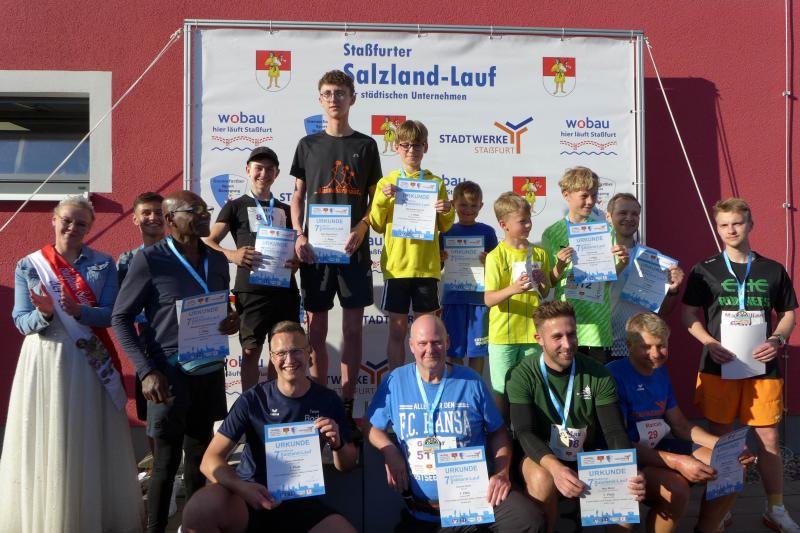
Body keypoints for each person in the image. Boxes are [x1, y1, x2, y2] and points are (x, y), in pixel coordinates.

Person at [1, 195, 143, 532]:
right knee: (47, 433)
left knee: (86, 434)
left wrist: (79, 312)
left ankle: (87, 514)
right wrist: (45, 314)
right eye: (66, 220)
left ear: (89, 228)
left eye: (81, 223)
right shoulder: (29, 265)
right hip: (44, 359)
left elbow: (111, 314)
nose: (72, 227)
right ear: (54, 219)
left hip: (87, 359)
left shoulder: (103, 264)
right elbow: (21, 321)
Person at [112, 190, 240, 533]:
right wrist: (146, 371)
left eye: (205, 209)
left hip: (208, 370)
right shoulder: (150, 260)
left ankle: (193, 528)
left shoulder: (216, 260)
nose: (204, 215)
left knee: (199, 462)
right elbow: (121, 318)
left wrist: (232, 319)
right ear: (170, 220)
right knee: (166, 465)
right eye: (194, 211)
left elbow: (223, 307)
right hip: (168, 375)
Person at [682, 197, 799, 532]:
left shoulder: (772, 269)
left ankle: (775, 508)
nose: (731, 230)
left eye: (737, 223)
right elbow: (688, 314)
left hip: (762, 367)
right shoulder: (704, 269)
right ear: (717, 229)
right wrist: (709, 343)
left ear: (750, 225)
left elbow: (788, 313)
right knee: (721, 439)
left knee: (769, 439)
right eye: (724, 225)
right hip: (719, 365)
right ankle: (723, 508)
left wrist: (777, 340)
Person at [366, 314, 544, 532]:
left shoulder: (470, 381)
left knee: (528, 519)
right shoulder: (395, 381)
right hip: (424, 513)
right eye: (422, 343)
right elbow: (372, 428)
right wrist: (389, 450)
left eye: (436, 342)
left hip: (475, 503)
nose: (430, 349)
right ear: (411, 346)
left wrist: (501, 473)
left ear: (448, 342)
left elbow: (498, 432)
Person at [181, 321, 359, 533]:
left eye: (296, 351)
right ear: (272, 358)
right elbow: (210, 460)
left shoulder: (327, 400)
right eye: (281, 353)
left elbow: (348, 464)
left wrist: (338, 444)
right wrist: (242, 488)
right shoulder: (253, 400)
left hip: (302, 502)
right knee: (200, 508)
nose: (289, 360)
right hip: (250, 499)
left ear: (309, 352)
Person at [290, 69, 382, 429]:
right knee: (315, 332)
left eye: (340, 93)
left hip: (353, 251)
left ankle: (346, 404)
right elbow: (297, 197)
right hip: (316, 252)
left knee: (353, 331)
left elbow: (376, 202)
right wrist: (299, 234)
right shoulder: (307, 145)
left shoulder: (366, 145)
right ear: (320, 99)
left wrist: (362, 227)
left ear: (352, 98)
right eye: (327, 93)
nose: (334, 99)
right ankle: (319, 403)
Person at [507, 301, 645, 533]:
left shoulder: (598, 373)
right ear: (539, 338)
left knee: (625, 488)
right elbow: (524, 431)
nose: (567, 344)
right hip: (542, 455)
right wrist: (556, 468)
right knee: (542, 479)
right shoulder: (521, 374)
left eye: (571, 334)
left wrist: (628, 469)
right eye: (557, 337)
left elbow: (614, 431)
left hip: (586, 455)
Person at [609, 312, 754, 533]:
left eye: (661, 346)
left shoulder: (660, 373)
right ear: (629, 345)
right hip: (624, 455)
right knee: (676, 489)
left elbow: (681, 425)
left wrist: (724, 445)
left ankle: (706, 529)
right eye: (646, 347)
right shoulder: (613, 375)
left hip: (657, 446)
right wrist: (678, 462)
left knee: (731, 464)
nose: (655, 354)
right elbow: (618, 442)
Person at [206, 146, 300, 391]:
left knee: (283, 350)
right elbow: (208, 242)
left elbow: (298, 246)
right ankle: (249, 404)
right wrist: (232, 255)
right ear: (248, 170)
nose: (263, 174)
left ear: (276, 174)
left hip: (284, 290)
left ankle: (277, 401)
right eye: (258, 168)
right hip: (251, 291)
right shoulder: (235, 206)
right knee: (250, 351)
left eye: (269, 169)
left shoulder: (286, 209)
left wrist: (297, 261)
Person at [370, 119, 454, 370]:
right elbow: (376, 224)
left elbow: (445, 226)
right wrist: (383, 200)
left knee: (427, 333)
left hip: (426, 268)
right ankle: (396, 381)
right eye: (405, 145)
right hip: (397, 268)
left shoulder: (436, 183)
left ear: (425, 147)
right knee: (396, 330)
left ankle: (425, 380)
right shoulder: (387, 183)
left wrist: (447, 210)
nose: (411, 150)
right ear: (396, 147)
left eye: (417, 145)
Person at [540, 166, 629, 364]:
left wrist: (623, 262)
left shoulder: (605, 230)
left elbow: (608, 278)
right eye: (584, 196)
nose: (590, 201)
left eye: (594, 195)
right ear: (566, 195)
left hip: (598, 325)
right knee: (568, 379)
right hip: (567, 324)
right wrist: (559, 266)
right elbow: (548, 284)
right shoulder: (552, 233)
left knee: (597, 380)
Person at [483, 192, 550, 417]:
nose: (528, 225)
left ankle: (528, 433)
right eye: (522, 221)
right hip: (503, 337)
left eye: (529, 219)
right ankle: (502, 433)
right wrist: (513, 289)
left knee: (531, 387)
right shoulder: (495, 256)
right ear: (504, 225)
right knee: (502, 390)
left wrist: (543, 281)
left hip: (532, 335)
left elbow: (544, 292)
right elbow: (489, 299)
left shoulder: (539, 253)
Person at [117, 191, 165, 463]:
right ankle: (160, 470)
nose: (153, 217)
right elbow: (120, 310)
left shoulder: (179, 254)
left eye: (158, 212)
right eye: (146, 212)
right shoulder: (126, 261)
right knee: (153, 414)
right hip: (147, 343)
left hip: (179, 342)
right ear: (135, 219)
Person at [605, 193, 684, 358]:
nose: (629, 218)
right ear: (608, 217)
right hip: (603, 345)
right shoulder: (597, 255)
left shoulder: (654, 257)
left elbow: (664, 311)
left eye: (634, 214)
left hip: (641, 347)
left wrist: (673, 290)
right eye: (622, 213)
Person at [440, 180, 498, 377]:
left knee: (477, 351)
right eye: (463, 205)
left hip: (479, 301)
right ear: (453, 204)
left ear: (481, 206)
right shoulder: (445, 231)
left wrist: (489, 261)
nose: (468, 210)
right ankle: (456, 388)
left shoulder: (488, 232)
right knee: (453, 350)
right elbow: (437, 267)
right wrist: (440, 258)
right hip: (453, 300)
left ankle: (475, 388)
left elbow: (497, 268)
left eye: (473, 205)